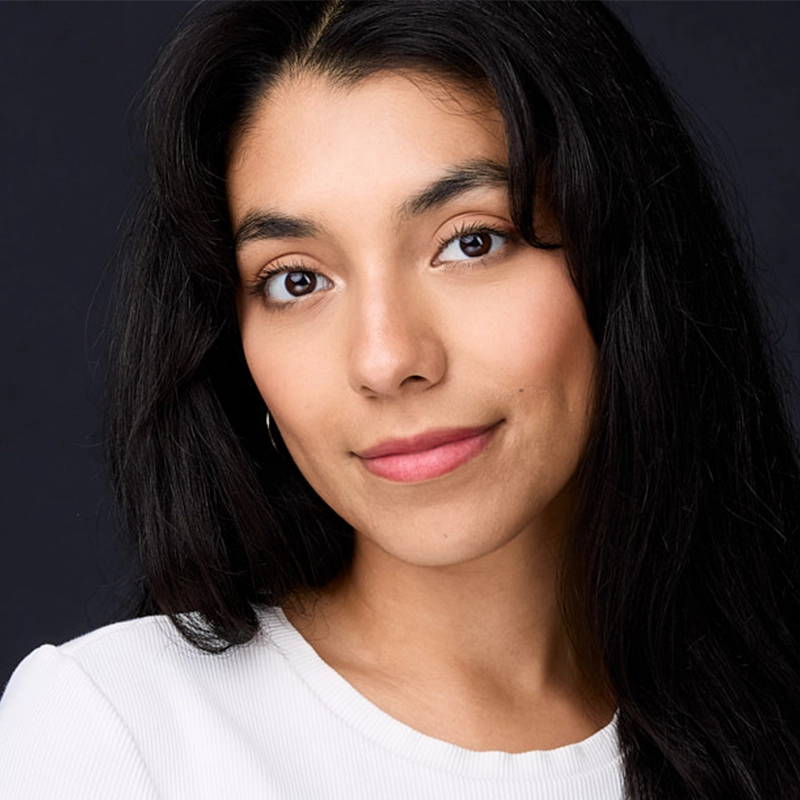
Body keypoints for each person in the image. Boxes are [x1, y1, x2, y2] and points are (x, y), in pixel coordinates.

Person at [1, 1, 798, 797]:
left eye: (471, 241)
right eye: (297, 280)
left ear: (625, 263)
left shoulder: (773, 707)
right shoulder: (120, 736)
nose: (386, 360)